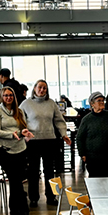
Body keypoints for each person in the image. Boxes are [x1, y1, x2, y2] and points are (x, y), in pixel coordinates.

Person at [20, 79, 71, 207]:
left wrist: (63, 134)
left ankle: (51, 197)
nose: (42, 90)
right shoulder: (26, 104)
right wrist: (23, 133)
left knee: (49, 171)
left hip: (49, 140)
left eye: (44, 88)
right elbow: (19, 120)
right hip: (33, 142)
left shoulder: (51, 104)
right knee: (33, 171)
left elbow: (59, 120)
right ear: (35, 88)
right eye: (40, 87)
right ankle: (33, 198)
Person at [0, 86, 34, 215]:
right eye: (6, 95)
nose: (8, 98)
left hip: (20, 149)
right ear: (1, 97)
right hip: (4, 150)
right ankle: (23, 209)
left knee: (17, 180)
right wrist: (12, 134)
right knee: (15, 179)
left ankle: (14, 208)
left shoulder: (19, 111)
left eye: (11, 95)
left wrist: (25, 133)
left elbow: (23, 128)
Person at [76, 92, 108, 177]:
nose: (102, 102)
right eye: (99, 101)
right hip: (94, 159)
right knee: (96, 183)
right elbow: (79, 138)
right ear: (92, 104)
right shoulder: (86, 120)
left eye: (103, 100)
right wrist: (82, 153)